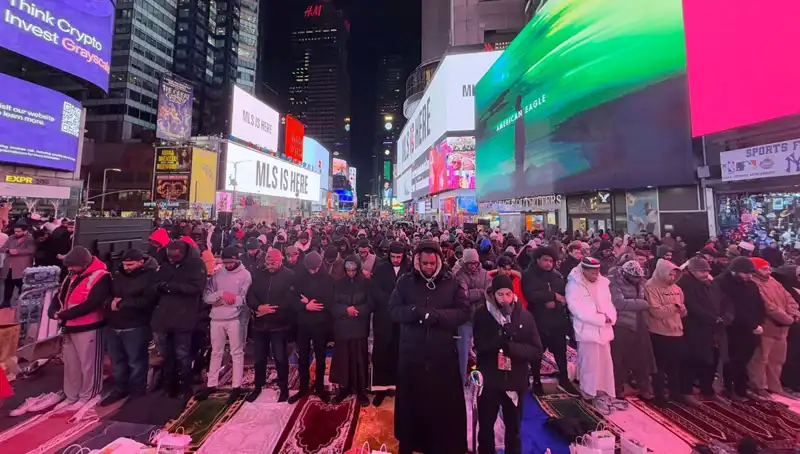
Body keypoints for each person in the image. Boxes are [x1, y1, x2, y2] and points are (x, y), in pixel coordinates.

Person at [389, 240, 470, 454]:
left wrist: (438, 316)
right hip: (412, 355)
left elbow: (463, 312)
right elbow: (393, 310)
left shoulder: (451, 282)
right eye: (424, 263)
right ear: (417, 262)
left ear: (439, 262)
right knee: (411, 407)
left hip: (442, 357)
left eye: (432, 264)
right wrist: (415, 311)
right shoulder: (405, 282)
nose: (428, 268)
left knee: (440, 408)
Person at [473, 274, 542, 454]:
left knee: (514, 430)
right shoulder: (482, 314)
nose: (505, 299)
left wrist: (512, 347)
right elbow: (480, 346)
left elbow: (536, 350)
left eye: (508, 294)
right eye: (500, 294)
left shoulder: (524, 316)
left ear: (513, 294)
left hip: (514, 382)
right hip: (490, 381)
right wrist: (500, 339)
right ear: (493, 294)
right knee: (486, 429)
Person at [48, 246, 112, 412]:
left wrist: (65, 315)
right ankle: (71, 395)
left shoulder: (101, 276)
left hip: (89, 325)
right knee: (71, 364)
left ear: (84, 263)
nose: (69, 269)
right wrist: (53, 309)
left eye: (72, 266)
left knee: (88, 364)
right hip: (70, 326)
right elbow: (60, 295)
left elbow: (93, 303)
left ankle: (88, 395)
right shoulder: (73, 274)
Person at [152, 240, 208, 400]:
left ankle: (185, 386)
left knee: (182, 355)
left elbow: (196, 288)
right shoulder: (165, 265)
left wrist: (170, 287)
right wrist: (169, 287)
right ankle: (170, 385)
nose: (172, 259)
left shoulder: (196, 265)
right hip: (163, 317)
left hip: (184, 317)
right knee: (166, 355)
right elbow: (155, 285)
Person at [101, 249, 157, 407]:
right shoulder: (116, 275)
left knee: (136, 361)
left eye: (130, 264)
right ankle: (121, 388)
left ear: (141, 262)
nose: (127, 267)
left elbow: (148, 300)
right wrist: (109, 302)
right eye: (125, 264)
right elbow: (105, 294)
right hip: (114, 324)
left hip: (136, 325)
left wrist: (122, 303)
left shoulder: (150, 277)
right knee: (117, 361)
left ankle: (137, 390)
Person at [565, 257, 621, 415]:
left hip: (604, 330)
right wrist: (600, 318)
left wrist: (610, 316)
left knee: (605, 363)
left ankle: (603, 392)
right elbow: (577, 309)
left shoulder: (603, 283)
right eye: (592, 272)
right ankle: (588, 393)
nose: (595, 275)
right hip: (587, 330)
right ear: (584, 270)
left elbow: (609, 303)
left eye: (597, 271)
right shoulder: (574, 285)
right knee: (589, 363)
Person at [196, 247, 251, 404]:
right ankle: (211, 383)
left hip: (235, 319)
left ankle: (236, 385)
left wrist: (227, 299)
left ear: (236, 260)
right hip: (216, 318)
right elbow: (207, 296)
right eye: (225, 262)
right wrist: (221, 295)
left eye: (230, 262)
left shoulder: (245, 275)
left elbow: (245, 299)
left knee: (237, 352)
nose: (227, 265)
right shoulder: (218, 274)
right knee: (216, 352)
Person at [522, 246, 578, 396]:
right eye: (545, 260)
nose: (548, 264)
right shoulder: (529, 275)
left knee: (561, 351)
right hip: (538, 321)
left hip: (557, 320)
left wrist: (557, 301)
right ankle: (536, 381)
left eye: (551, 261)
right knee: (537, 352)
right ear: (538, 260)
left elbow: (565, 296)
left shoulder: (557, 276)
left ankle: (564, 379)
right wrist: (551, 296)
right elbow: (531, 294)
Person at [677, 257, 731, 402]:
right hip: (695, 329)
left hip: (714, 330)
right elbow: (692, 306)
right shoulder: (685, 284)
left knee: (712, 359)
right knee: (692, 360)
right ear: (692, 271)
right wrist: (713, 318)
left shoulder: (711, 284)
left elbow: (725, 302)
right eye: (701, 271)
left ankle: (707, 390)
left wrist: (725, 317)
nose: (705, 274)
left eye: (707, 270)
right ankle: (685, 390)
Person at [246, 248, 296, 402]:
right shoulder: (259, 274)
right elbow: (250, 295)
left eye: (273, 262)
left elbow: (290, 300)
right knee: (259, 358)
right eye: (268, 262)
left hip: (279, 325)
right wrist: (258, 307)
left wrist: (270, 309)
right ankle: (258, 386)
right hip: (260, 324)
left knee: (280, 358)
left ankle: (284, 388)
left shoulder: (289, 276)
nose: (270, 265)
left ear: (280, 260)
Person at [714, 257, 765, 401]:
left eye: (751, 273)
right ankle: (729, 389)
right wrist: (751, 325)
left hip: (752, 329)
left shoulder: (751, 285)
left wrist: (759, 323)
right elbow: (731, 310)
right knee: (732, 360)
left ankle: (741, 388)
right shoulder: (722, 283)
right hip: (732, 330)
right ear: (735, 271)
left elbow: (759, 305)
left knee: (744, 361)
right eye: (746, 273)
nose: (749, 276)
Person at [749, 257, 800, 398]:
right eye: (764, 268)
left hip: (782, 329)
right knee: (761, 359)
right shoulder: (754, 283)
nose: (768, 271)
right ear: (755, 269)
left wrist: (794, 314)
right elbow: (768, 306)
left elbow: (790, 299)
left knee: (777, 359)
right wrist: (788, 318)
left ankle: (774, 386)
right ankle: (760, 386)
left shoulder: (773, 281)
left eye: (768, 268)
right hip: (767, 328)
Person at [644, 258, 690, 407]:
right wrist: (675, 307)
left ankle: (675, 393)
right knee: (659, 367)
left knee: (675, 366)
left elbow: (682, 311)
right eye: (670, 275)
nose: (672, 278)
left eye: (674, 275)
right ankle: (660, 396)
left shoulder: (677, 289)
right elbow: (656, 311)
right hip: (659, 332)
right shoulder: (650, 287)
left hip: (676, 332)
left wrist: (681, 310)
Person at [290, 251, 334, 403]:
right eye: (310, 269)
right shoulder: (299, 277)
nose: (312, 271)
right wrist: (305, 306)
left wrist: (312, 304)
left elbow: (330, 301)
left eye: (315, 268)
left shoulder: (328, 279)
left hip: (320, 324)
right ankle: (303, 387)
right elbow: (293, 299)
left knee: (320, 357)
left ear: (320, 265)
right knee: (303, 356)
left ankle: (320, 387)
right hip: (303, 323)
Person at [609, 260, 655, 401]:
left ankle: (644, 388)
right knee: (619, 359)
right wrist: (641, 304)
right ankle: (617, 388)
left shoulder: (641, 281)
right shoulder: (613, 282)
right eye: (634, 278)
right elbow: (618, 303)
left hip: (640, 322)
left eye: (639, 278)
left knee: (643, 358)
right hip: (622, 324)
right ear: (625, 273)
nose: (637, 280)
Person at [330, 255, 373, 406]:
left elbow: (371, 304)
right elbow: (333, 305)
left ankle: (361, 391)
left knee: (359, 360)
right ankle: (344, 389)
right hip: (342, 328)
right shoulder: (338, 283)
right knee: (343, 360)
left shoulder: (366, 283)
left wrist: (357, 310)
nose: (351, 273)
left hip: (359, 327)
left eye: (354, 270)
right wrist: (345, 310)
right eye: (348, 270)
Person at [370, 241, 409, 406]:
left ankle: (396, 386)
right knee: (381, 354)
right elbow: (375, 291)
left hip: (401, 319)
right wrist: (391, 303)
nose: (395, 260)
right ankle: (380, 390)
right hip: (383, 317)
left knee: (399, 353)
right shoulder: (380, 268)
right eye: (393, 256)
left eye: (398, 257)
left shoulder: (409, 269)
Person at [455, 247, 491, 385]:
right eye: (470, 263)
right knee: (463, 352)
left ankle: (484, 378)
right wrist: (481, 292)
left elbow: (490, 293)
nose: (473, 266)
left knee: (483, 349)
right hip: (466, 319)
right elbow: (463, 296)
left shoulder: (485, 274)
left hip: (482, 319)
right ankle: (461, 380)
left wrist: (475, 292)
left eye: (475, 263)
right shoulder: (459, 275)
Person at [0, 223, 35, 307]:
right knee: (8, 285)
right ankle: (6, 302)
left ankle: (22, 305)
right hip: (9, 266)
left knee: (22, 286)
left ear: (25, 231)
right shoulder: (11, 238)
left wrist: (18, 251)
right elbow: (2, 248)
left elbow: (32, 250)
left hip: (22, 267)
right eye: (15, 231)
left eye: (19, 231)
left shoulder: (29, 239)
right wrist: (9, 250)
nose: (16, 233)